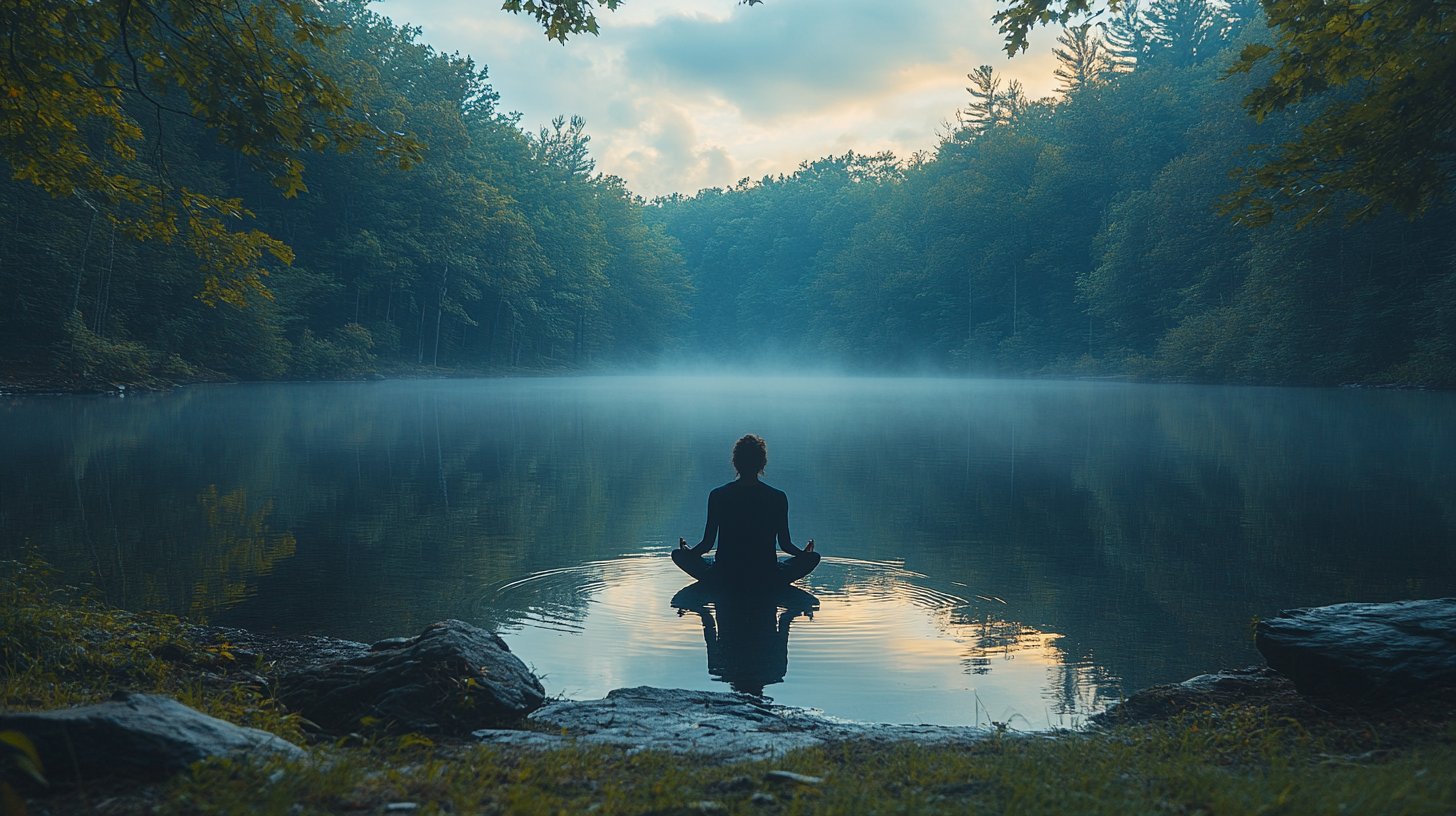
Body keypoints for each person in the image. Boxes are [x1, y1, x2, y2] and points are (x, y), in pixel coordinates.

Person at [672, 434, 820, 588]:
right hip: (766, 574)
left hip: (725, 573)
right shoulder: (778, 497)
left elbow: (707, 544)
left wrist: (688, 553)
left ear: (735, 463)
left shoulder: (718, 495)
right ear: (762, 464)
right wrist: (804, 555)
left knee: (678, 555)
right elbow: (785, 545)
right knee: (813, 558)